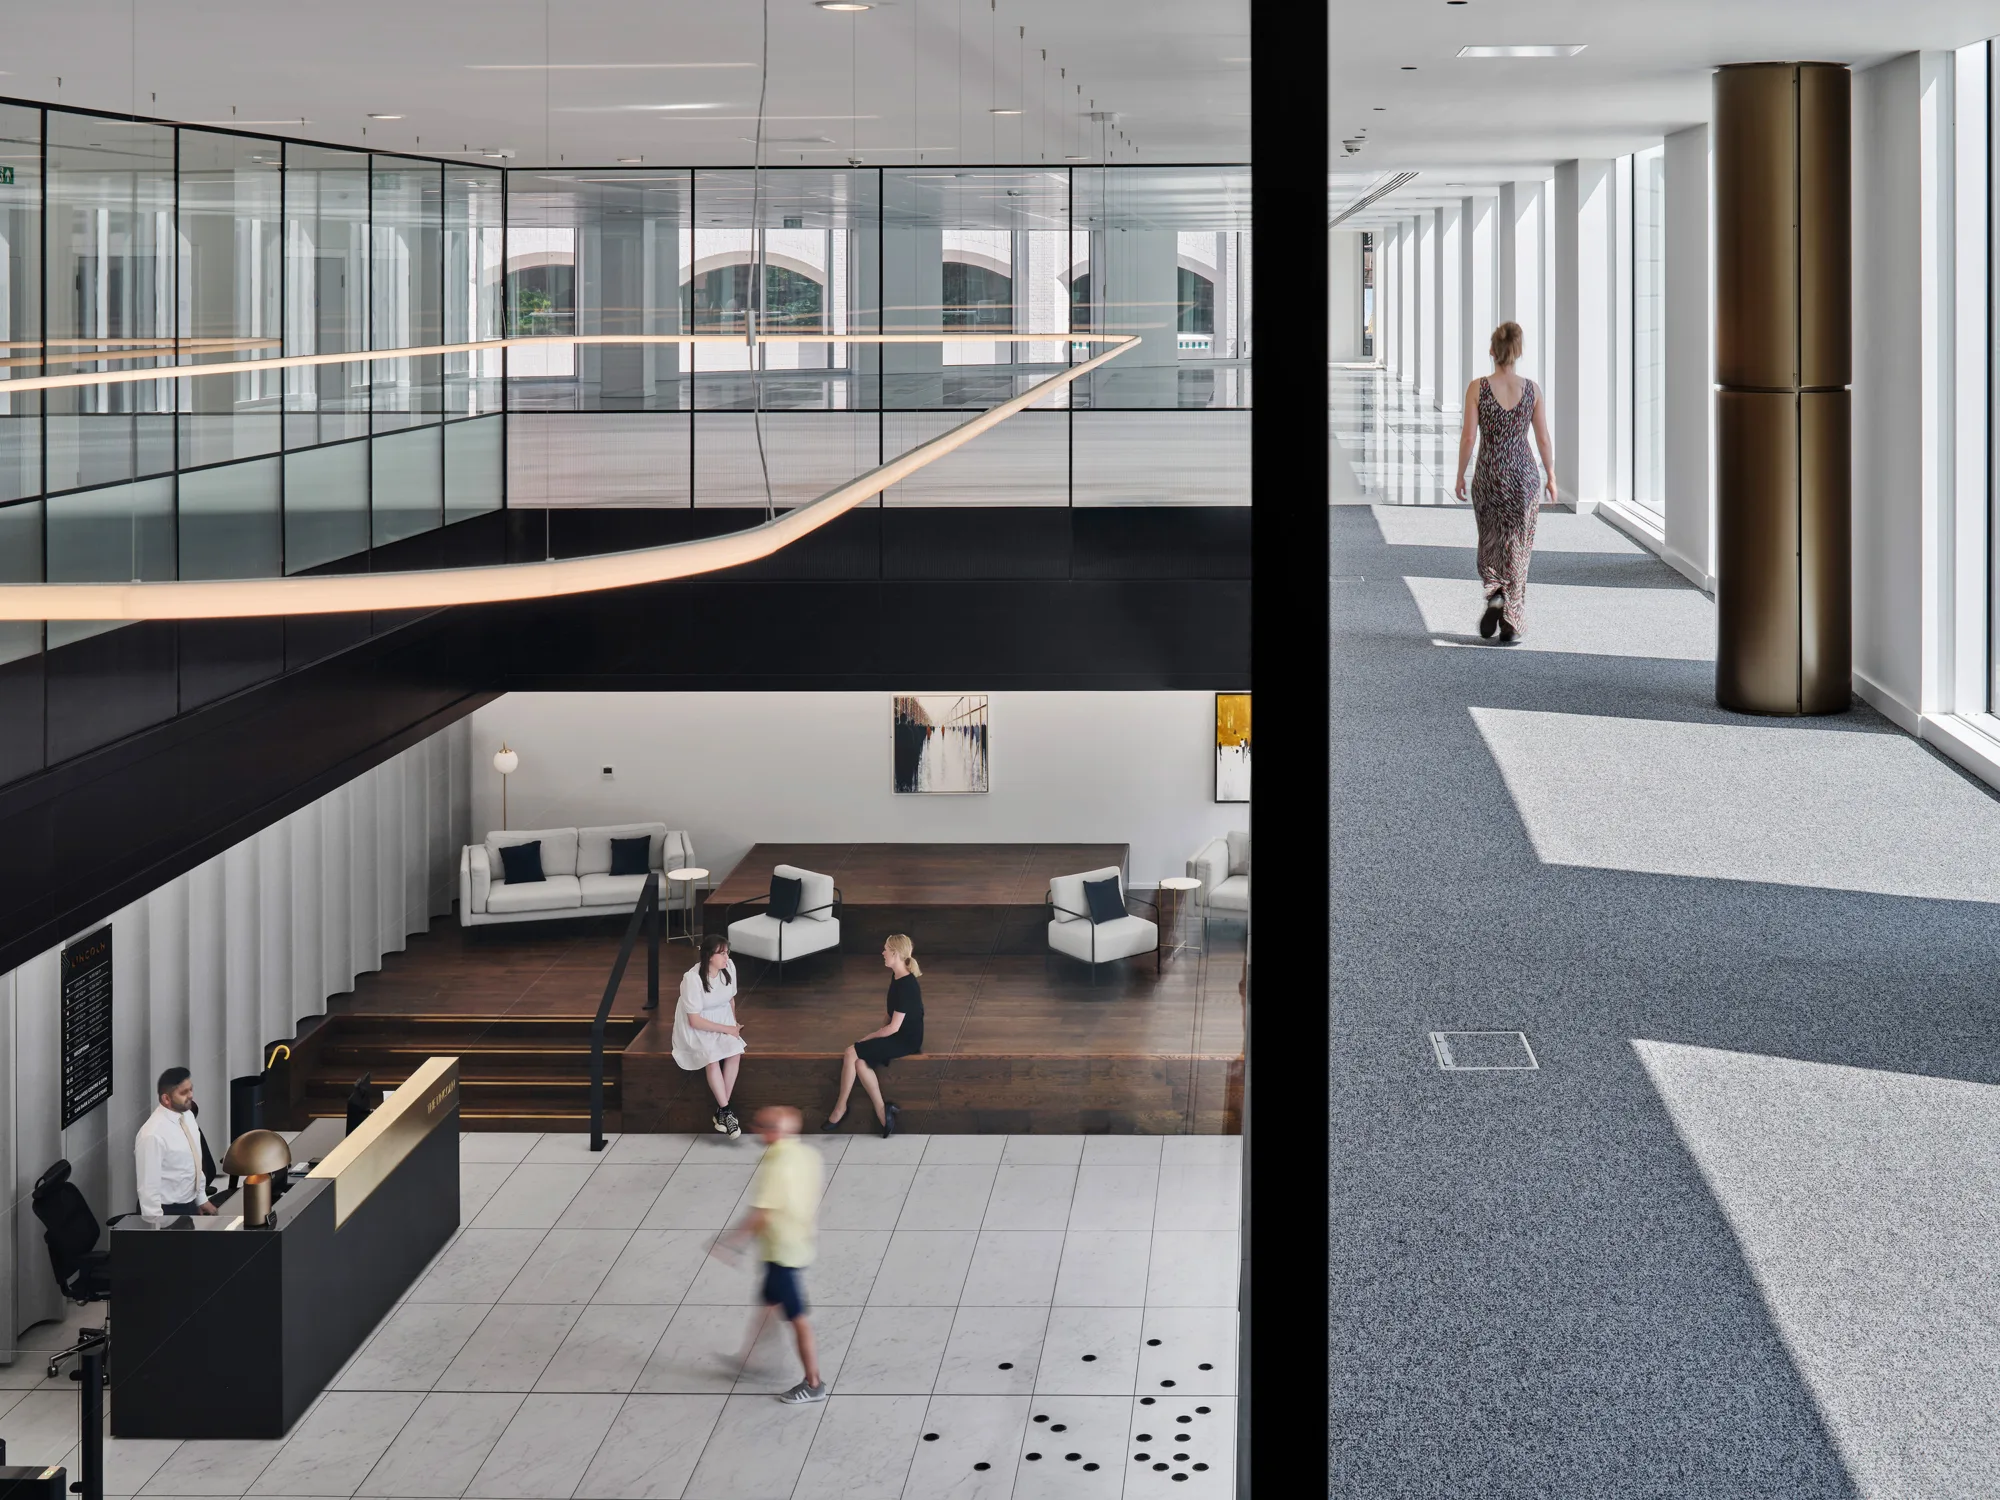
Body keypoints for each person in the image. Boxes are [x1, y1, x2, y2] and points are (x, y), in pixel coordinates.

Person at [712, 1106, 826, 1405]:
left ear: (773, 1131)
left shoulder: (776, 1165)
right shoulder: (808, 1155)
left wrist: (730, 1243)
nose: (755, 1129)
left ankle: (813, 1382)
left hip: (782, 1253)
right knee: (767, 1301)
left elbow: (762, 1213)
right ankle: (750, 1359)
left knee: (797, 1317)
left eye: (760, 1126)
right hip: (799, 1243)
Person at [1453, 321, 1558, 643]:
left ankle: (1495, 592)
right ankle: (1512, 621)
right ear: (1518, 352)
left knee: (1490, 540)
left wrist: (1460, 473)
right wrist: (1551, 475)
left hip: (1490, 475)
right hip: (1522, 477)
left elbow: (1470, 436)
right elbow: (1542, 439)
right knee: (1518, 547)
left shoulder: (1478, 387)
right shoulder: (1532, 389)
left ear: (1491, 350)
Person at [821, 934, 924, 1139]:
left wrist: (869, 1039)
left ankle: (840, 1109)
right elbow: (889, 1013)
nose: (882, 952)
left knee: (851, 1051)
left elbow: (894, 1028)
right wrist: (878, 1036)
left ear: (895, 954)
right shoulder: (897, 976)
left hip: (906, 1039)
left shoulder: (907, 985)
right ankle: (883, 1113)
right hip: (896, 1034)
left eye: (886, 949)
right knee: (860, 1063)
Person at [673, 933, 747, 1139]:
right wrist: (727, 1030)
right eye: (721, 953)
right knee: (711, 1058)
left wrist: (733, 1023)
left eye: (727, 952)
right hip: (699, 1024)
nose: (726, 957)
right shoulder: (693, 979)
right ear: (709, 956)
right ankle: (726, 1111)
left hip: (722, 1018)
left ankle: (723, 1112)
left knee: (735, 1052)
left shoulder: (729, 968)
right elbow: (694, 1021)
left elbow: (730, 999)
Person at [136, 1067, 217, 1216]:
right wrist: (156, 1227)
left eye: (191, 1089)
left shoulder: (188, 1116)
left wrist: (201, 1199)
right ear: (166, 1099)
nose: (191, 1095)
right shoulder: (152, 1135)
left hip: (189, 1204)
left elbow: (194, 1163)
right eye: (184, 1093)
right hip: (166, 1211)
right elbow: (148, 1190)